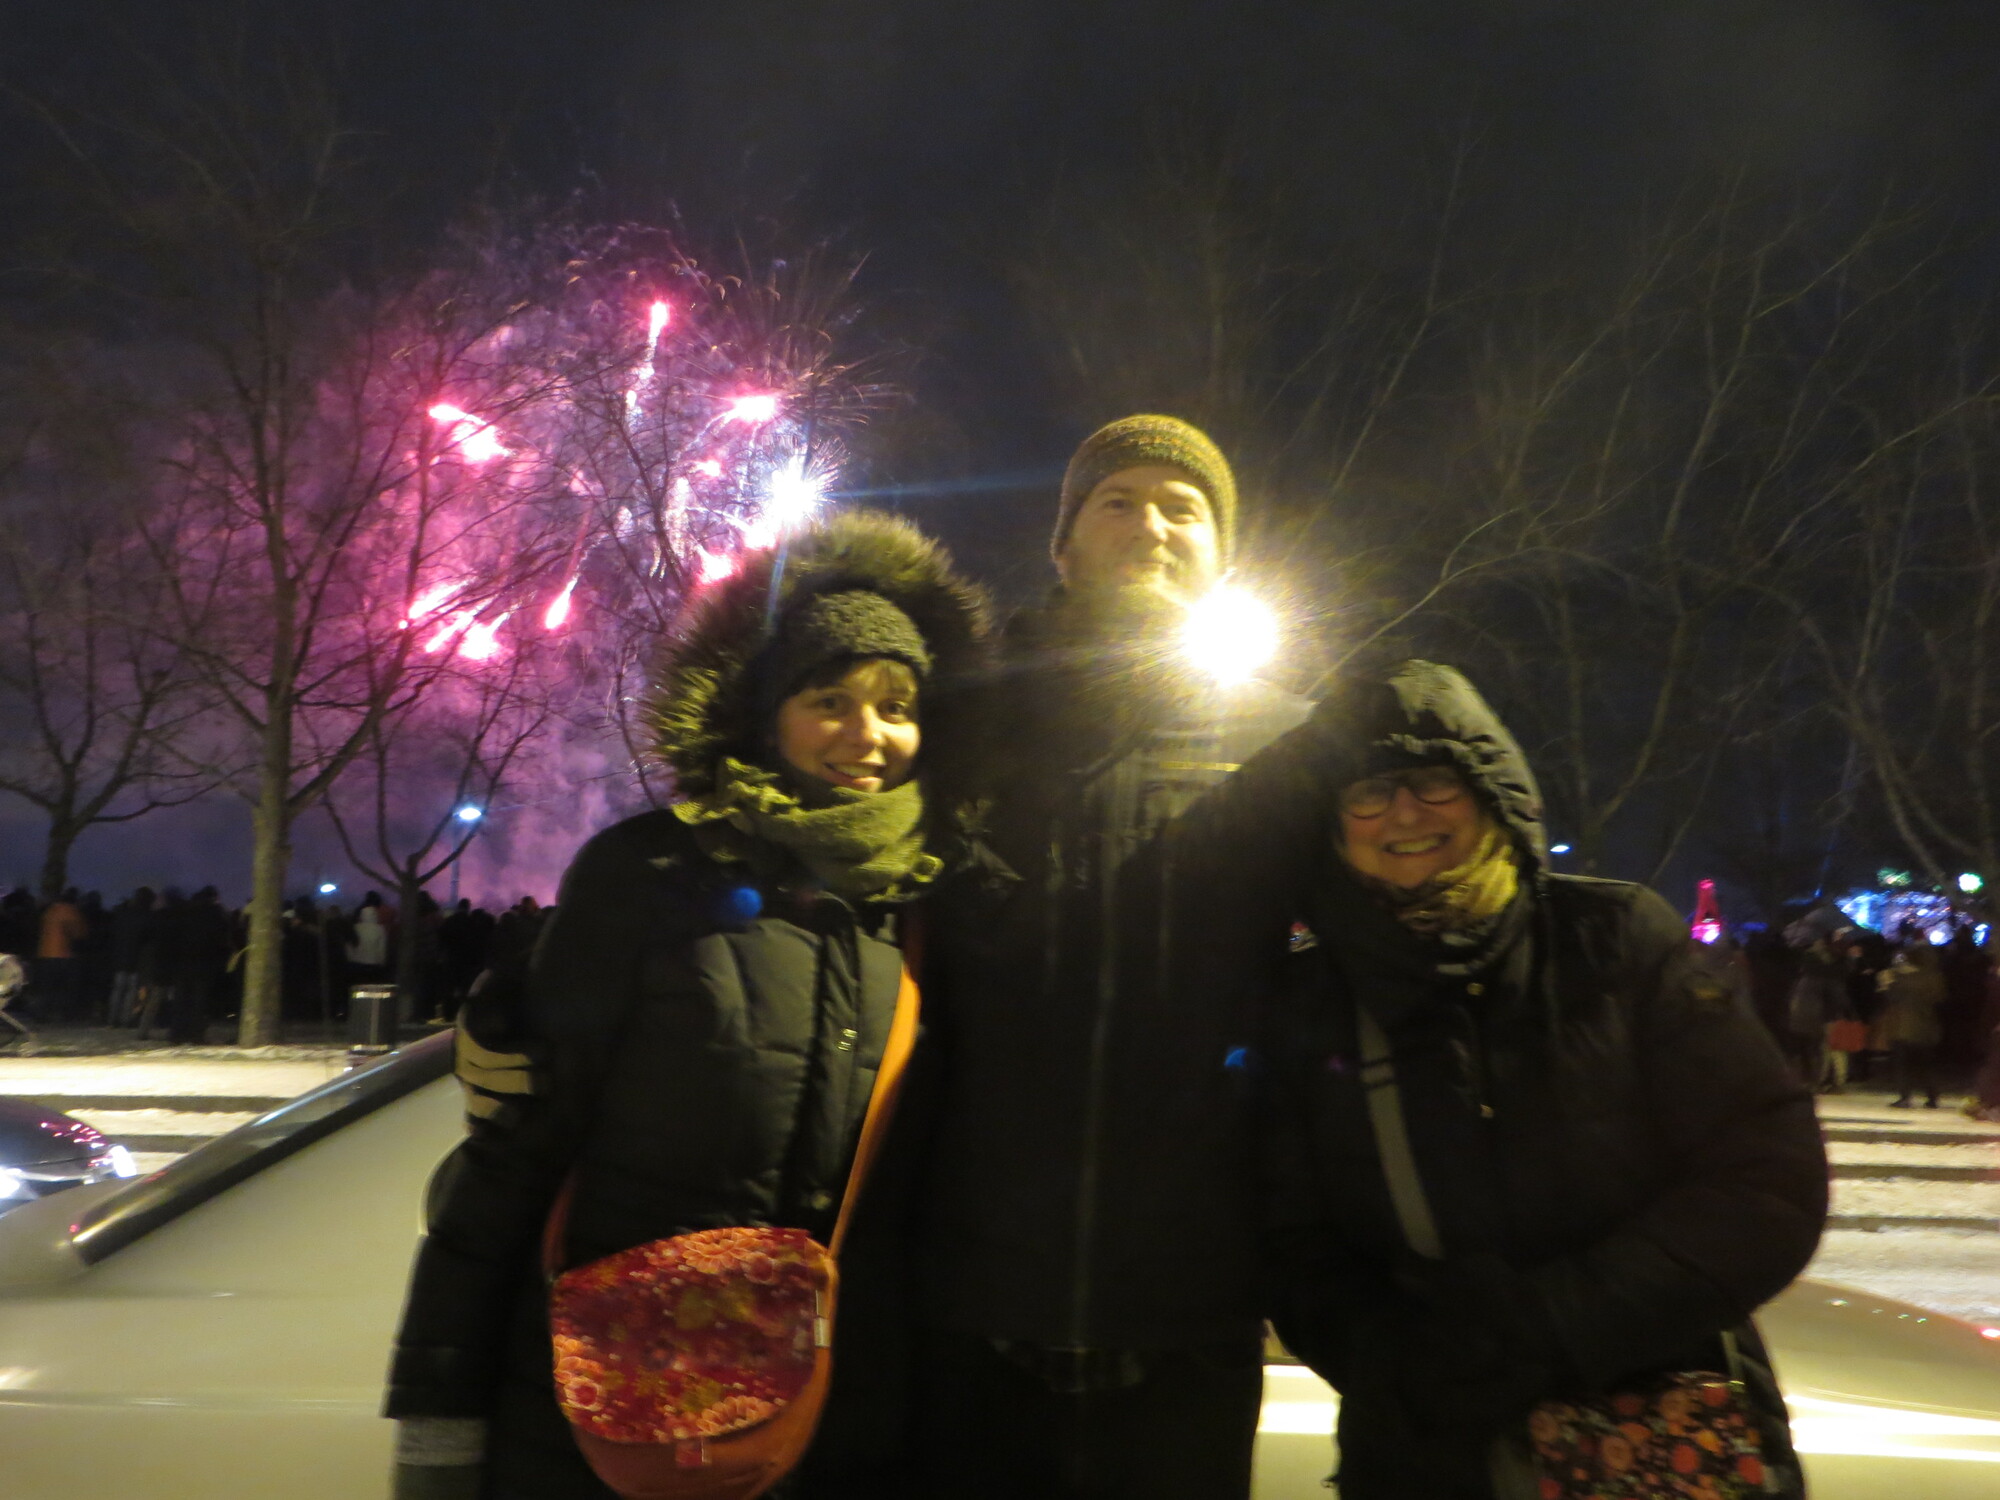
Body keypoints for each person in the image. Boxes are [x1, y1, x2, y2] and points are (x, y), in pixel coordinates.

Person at [384, 511, 988, 1500]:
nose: (867, 734)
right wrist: (440, 1419)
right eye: (828, 699)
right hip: (611, 1421)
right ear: (763, 712)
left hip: (832, 1434)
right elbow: (518, 1153)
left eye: (896, 706)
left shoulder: (922, 910)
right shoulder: (649, 875)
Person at [1232, 660, 1826, 1500]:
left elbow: (1767, 1178)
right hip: (1426, 1449)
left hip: (1656, 1432)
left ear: (1492, 792)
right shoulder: (1311, 999)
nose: (1405, 811)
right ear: (1333, 823)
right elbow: (1290, 1237)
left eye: (1435, 781)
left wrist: (1553, 1323)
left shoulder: (1616, 941)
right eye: (1369, 791)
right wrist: (1395, 1361)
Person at [912, 415, 1310, 1499]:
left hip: (1187, 1305)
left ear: (1221, 556)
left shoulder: (1283, 743)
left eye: (1184, 509)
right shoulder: (963, 722)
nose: (1153, 525)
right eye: (1118, 501)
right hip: (967, 1297)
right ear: (1063, 543)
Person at [1877, 942, 1947, 1108]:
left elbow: (1892, 997)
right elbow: (1940, 998)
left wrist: (1886, 985)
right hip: (1926, 1026)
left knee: (1902, 1063)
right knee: (1926, 1064)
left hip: (1902, 1026)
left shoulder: (1900, 977)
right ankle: (1932, 1096)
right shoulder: (1935, 977)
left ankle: (1905, 1097)